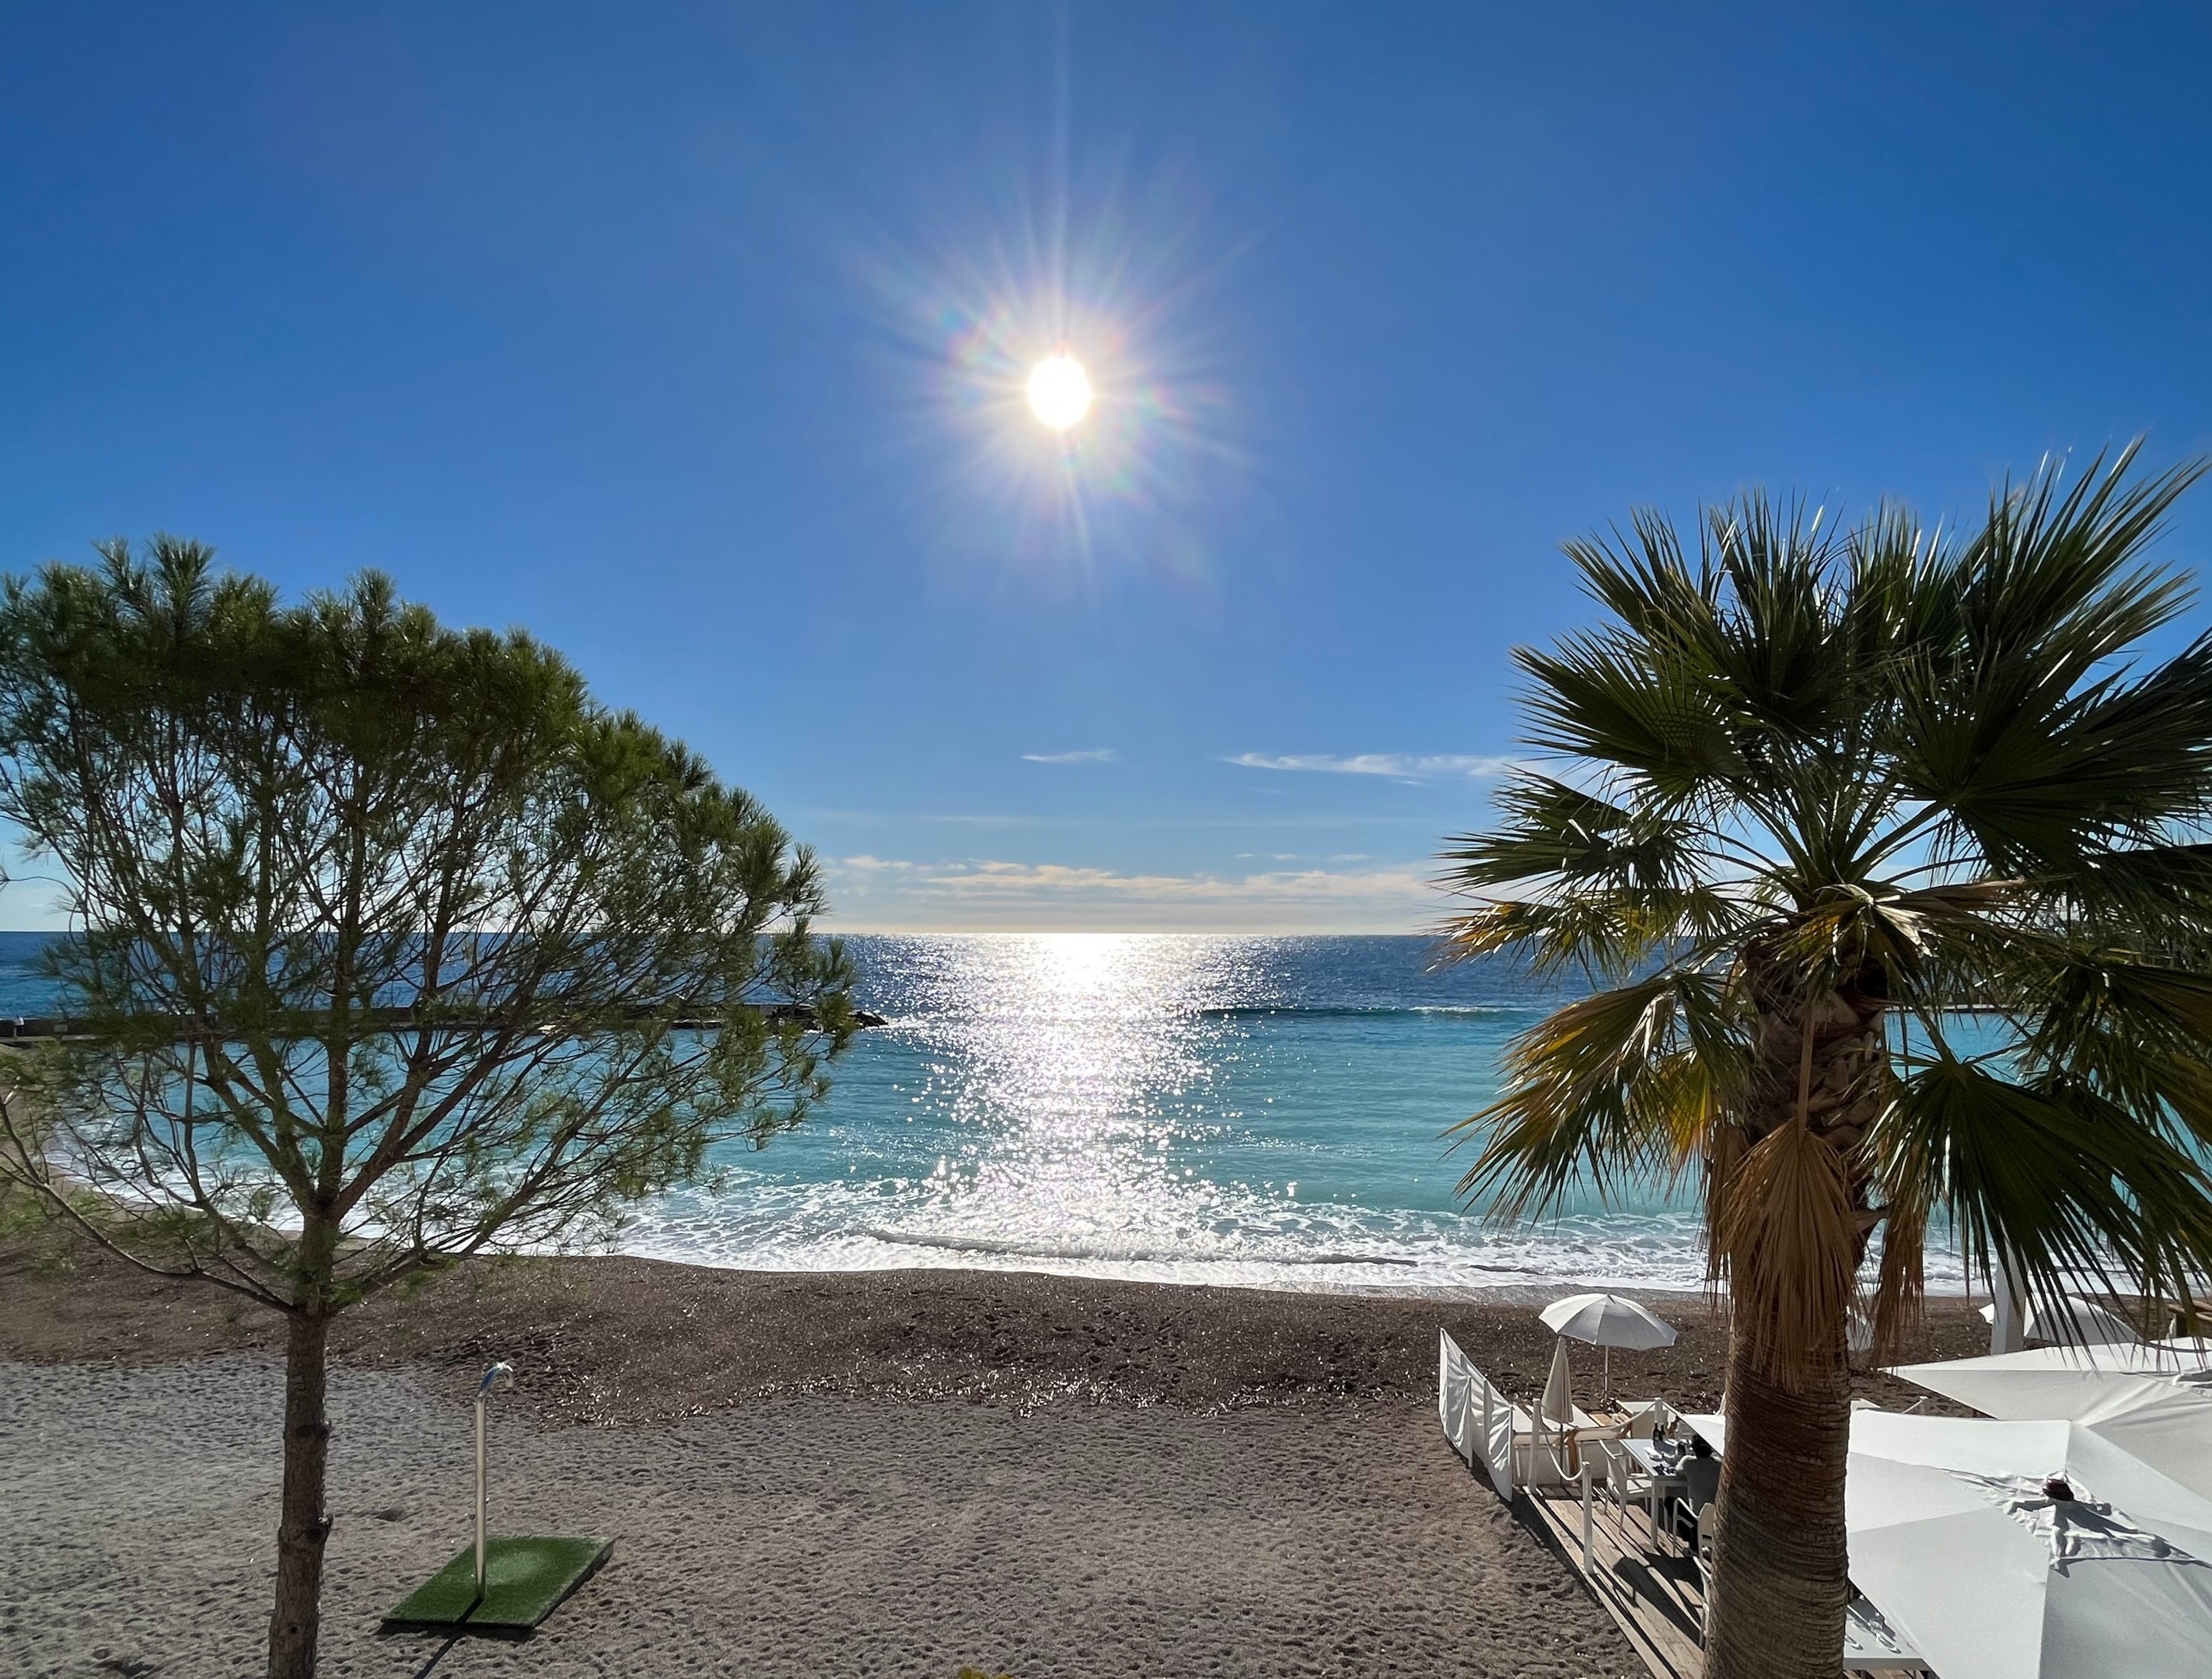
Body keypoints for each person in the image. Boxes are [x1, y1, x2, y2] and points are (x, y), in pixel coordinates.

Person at [1675, 1435, 1721, 1543]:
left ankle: (1693, 1545)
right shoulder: (1720, 1463)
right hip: (1716, 1512)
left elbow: (1678, 1471)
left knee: (1670, 1501)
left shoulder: (1688, 1461)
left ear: (1693, 1448)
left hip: (1696, 1513)